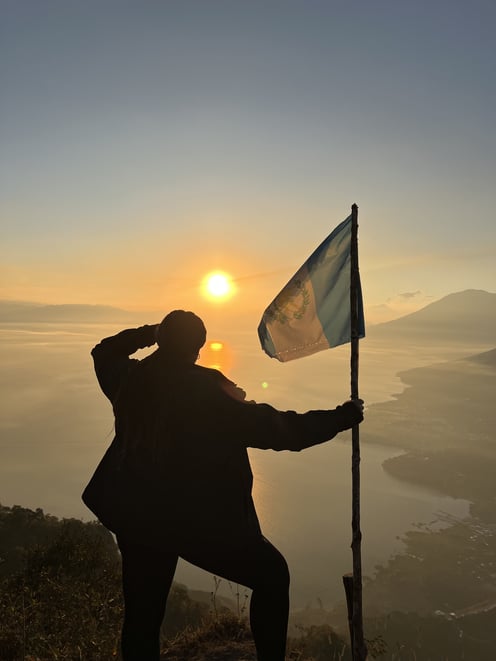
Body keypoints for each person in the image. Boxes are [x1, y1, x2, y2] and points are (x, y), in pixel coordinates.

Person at [83, 310, 364, 661]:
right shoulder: (208, 390)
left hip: (138, 517)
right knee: (272, 576)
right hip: (195, 522)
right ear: (198, 347)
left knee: (143, 616)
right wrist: (342, 416)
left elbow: (103, 352)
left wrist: (150, 332)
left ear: (163, 339)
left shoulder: (132, 378)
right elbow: (280, 429)